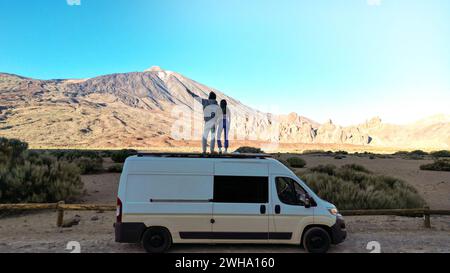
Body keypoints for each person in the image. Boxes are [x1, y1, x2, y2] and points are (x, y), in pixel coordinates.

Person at [187, 88, 219, 155]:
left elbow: (197, 97)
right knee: (213, 137)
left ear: (209, 97)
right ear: (215, 98)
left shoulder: (205, 102)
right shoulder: (216, 104)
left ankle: (204, 151)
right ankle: (212, 151)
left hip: (207, 122)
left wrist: (190, 92)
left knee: (204, 136)